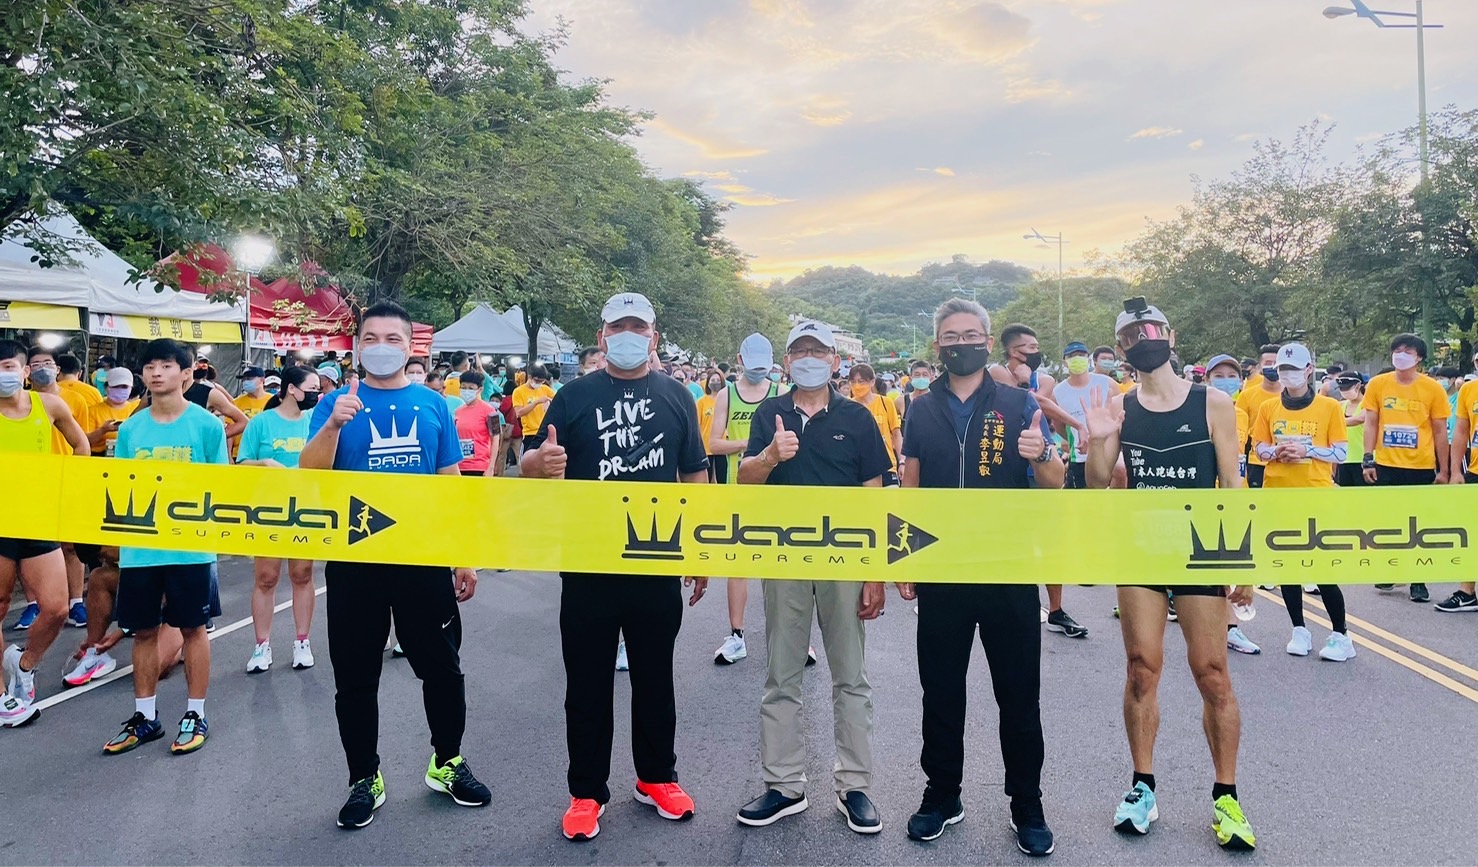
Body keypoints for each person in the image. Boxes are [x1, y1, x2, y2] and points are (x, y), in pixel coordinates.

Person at [521, 292, 708, 843]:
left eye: (639, 327)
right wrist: (539, 463)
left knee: (656, 677)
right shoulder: (573, 396)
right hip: (587, 564)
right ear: (602, 337)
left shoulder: (677, 396)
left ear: (654, 336)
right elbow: (530, 461)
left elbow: (695, 478)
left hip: (656, 561)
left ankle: (657, 778)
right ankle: (586, 792)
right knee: (586, 683)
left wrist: (701, 552)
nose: (629, 335)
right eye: (618, 327)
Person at [301, 301, 490, 828]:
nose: (381, 347)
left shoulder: (433, 405)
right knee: (355, 677)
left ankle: (447, 762)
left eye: (393, 339)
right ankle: (364, 777)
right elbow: (308, 475)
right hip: (356, 560)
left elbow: (451, 486)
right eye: (371, 338)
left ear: (411, 348)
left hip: (422, 560)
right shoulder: (334, 403)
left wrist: (463, 555)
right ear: (356, 346)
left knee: (443, 670)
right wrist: (333, 426)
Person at [1084, 299, 1256, 851]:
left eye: (1150, 329)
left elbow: (1233, 485)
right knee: (1141, 669)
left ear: (1171, 335)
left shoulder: (1214, 403)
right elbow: (1096, 482)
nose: (1144, 340)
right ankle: (1143, 787)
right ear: (1122, 348)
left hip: (1201, 552)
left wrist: (1243, 563)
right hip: (1142, 552)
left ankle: (1226, 797)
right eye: (1131, 335)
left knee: (1213, 674)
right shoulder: (1120, 405)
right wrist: (1098, 438)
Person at [892, 300, 1060, 855]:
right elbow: (910, 484)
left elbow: (1056, 481)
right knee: (941, 691)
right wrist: (904, 559)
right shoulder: (920, 408)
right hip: (943, 572)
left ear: (987, 343)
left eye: (970, 335)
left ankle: (1027, 803)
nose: (959, 344)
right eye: (949, 336)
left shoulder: (1018, 403)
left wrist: (1040, 453)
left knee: (1019, 695)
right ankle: (942, 795)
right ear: (937, 345)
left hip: (1007, 568)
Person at [734, 320, 889, 836]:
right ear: (786, 362)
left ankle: (855, 786)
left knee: (851, 675)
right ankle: (784, 785)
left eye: (818, 351)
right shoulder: (769, 413)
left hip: (845, 562)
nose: (808, 358)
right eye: (799, 350)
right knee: (782, 675)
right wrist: (770, 455)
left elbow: (873, 496)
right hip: (785, 561)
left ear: (834, 361)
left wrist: (875, 573)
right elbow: (745, 479)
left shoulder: (858, 418)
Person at [102, 338, 226, 756]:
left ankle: (195, 713)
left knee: (193, 629)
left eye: (167, 365)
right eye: (150, 366)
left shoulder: (207, 426)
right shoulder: (131, 429)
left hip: (192, 549)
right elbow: (119, 489)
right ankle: (145, 717)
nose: (156, 372)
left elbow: (221, 488)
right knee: (143, 631)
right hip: (141, 550)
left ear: (187, 374)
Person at [0, 340, 89, 727]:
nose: (2, 375)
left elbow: (81, 445)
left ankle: (24, 665)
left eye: (8, 366)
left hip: (38, 520)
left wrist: (67, 488)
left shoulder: (49, 406)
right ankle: (2, 698)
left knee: (57, 608)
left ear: (24, 371)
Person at [1250, 344, 1353, 661]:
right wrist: (1277, 452)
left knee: (1321, 568)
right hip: (1278, 494)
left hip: (1315, 494)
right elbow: (1258, 448)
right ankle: (1299, 629)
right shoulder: (1268, 407)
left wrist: (1307, 451)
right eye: (1283, 370)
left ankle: (1341, 635)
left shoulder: (1329, 407)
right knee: (1288, 566)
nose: (1288, 375)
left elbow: (1341, 452)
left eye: (1294, 369)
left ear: (1309, 370)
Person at [706, 333, 784, 666]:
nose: (757, 371)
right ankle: (736, 635)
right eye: (752, 365)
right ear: (740, 361)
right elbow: (714, 444)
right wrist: (753, 446)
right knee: (738, 564)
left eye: (763, 367)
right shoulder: (727, 394)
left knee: (782, 564)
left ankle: (794, 638)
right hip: (738, 487)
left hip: (777, 490)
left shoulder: (781, 393)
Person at [238, 365, 321, 674]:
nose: (316, 394)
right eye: (311, 389)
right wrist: (263, 464)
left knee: (302, 575)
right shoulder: (260, 423)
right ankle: (261, 645)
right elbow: (241, 465)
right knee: (266, 578)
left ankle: (302, 642)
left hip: (306, 510)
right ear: (291, 389)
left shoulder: (315, 422)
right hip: (268, 511)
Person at [1362, 333, 1450, 603]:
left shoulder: (1432, 389)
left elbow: (1440, 431)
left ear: (1419, 358)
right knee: (1389, 521)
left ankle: (1418, 580)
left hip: (1420, 466)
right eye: (1397, 350)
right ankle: (1391, 568)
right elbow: (1371, 423)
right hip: (1386, 464)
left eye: (1407, 351)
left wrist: (1444, 470)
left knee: (1417, 523)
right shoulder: (1378, 384)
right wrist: (1368, 458)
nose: (1401, 355)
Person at [1440, 354, 1478, 613]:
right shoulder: (1469, 390)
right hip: (1474, 470)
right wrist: (1455, 471)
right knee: (1471, 532)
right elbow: (1462, 431)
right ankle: (1467, 592)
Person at [846, 363, 903, 487]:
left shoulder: (885, 403)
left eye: (861, 381)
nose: (857, 385)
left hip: (888, 466)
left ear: (872, 382)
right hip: (858, 468)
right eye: (853, 382)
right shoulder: (847, 406)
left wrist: (902, 461)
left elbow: (896, 434)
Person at [1236, 344, 1282, 489]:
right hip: (1255, 460)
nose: (1272, 366)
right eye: (1268, 363)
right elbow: (1239, 428)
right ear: (1259, 367)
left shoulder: (1290, 395)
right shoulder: (1247, 395)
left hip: (1283, 458)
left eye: (1276, 363)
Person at [83, 367, 141, 458]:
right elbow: (84, 441)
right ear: (106, 388)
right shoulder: (92, 411)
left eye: (124, 387)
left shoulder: (138, 408)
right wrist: (103, 430)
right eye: (116, 387)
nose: (120, 390)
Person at [453, 370, 502, 477]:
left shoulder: (490, 411)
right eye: (463, 387)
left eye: (471, 388)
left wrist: (491, 467)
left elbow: (496, 438)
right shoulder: (457, 411)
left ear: (480, 390)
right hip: (459, 467)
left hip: (480, 467)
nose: (466, 391)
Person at [1334, 372, 1369, 488]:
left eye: (1347, 388)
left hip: (1361, 458)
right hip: (1343, 459)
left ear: (1358, 386)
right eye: (1341, 389)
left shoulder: (1368, 403)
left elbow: (1359, 419)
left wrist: (1334, 423)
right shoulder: (1340, 406)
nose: (1344, 391)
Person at [512, 363, 556, 453]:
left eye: (542, 381)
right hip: (529, 433)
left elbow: (558, 399)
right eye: (537, 380)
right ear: (530, 377)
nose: (539, 383)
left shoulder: (545, 389)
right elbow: (519, 413)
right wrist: (536, 402)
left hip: (544, 432)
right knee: (528, 459)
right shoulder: (518, 391)